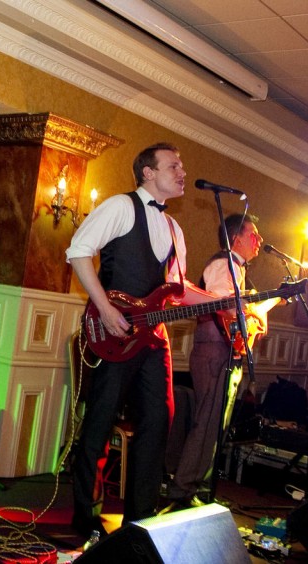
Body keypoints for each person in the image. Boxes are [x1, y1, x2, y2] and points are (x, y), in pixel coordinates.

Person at [66, 142, 215, 534]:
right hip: (113, 331)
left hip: (154, 340)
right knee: (99, 423)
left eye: (182, 166)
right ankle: (86, 519)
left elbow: (177, 290)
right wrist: (106, 308)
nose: (183, 173)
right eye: (174, 166)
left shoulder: (174, 228)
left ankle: (140, 519)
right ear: (148, 172)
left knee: (158, 421)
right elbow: (78, 252)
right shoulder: (120, 206)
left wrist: (225, 303)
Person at [163, 214, 275, 512]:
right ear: (235, 238)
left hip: (225, 352)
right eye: (254, 234)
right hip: (215, 351)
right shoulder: (223, 264)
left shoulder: (238, 269)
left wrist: (263, 308)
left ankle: (196, 489)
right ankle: (183, 490)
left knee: (216, 427)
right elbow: (223, 304)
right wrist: (253, 311)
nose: (260, 240)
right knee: (208, 424)